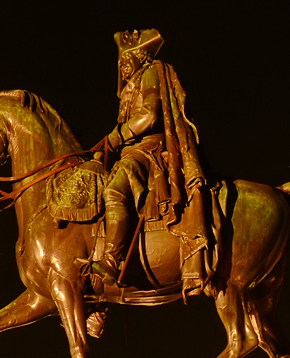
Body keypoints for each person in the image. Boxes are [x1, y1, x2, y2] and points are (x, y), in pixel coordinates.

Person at [91, 28, 214, 296]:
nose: (123, 67)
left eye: (127, 61)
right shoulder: (130, 87)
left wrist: (117, 136)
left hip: (149, 150)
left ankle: (112, 258)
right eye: (120, 63)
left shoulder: (150, 73)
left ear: (140, 58)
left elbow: (149, 113)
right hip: (134, 149)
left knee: (113, 190)